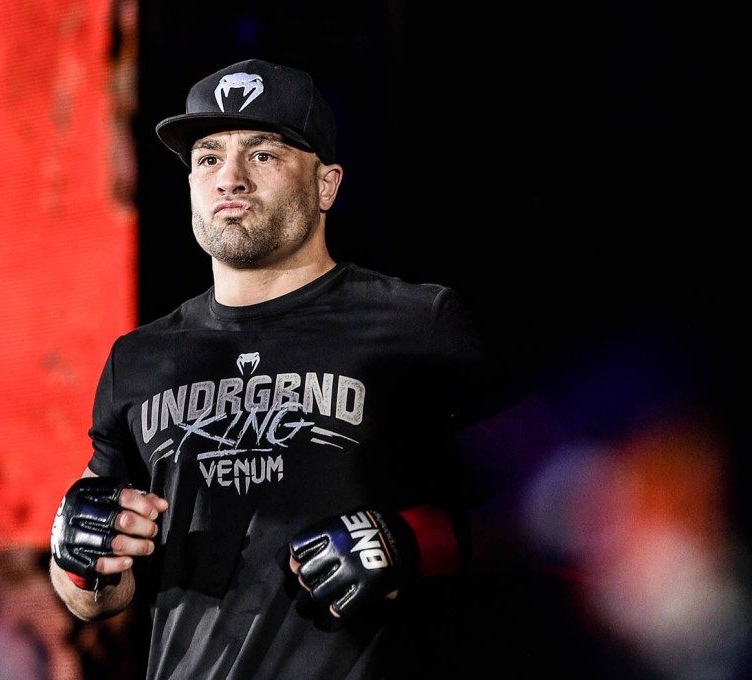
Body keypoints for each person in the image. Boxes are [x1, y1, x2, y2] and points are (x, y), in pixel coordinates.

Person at [49, 58, 499, 680]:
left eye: (262, 154)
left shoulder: (420, 323)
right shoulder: (140, 358)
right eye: (208, 158)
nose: (228, 178)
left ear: (326, 186)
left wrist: (413, 543)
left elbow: (553, 510)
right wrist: (79, 556)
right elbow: (96, 596)